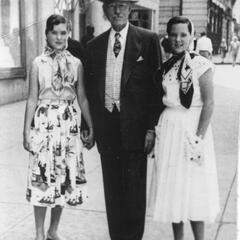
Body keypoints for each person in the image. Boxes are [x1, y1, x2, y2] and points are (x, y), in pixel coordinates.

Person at [84, 0, 161, 239]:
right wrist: (89, 126)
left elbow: (156, 88)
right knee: (113, 192)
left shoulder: (147, 40)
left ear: (130, 8)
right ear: (105, 10)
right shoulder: (94, 46)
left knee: (135, 194)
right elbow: (88, 91)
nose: (117, 11)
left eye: (122, 5)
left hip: (137, 130)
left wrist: (151, 128)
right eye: (112, 5)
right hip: (108, 129)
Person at [23, 14, 94, 240]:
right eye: (55, 32)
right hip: (44, 122)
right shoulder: (37, 63)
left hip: (68, 123)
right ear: (46, 34)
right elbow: (32, 99)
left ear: (68, 34)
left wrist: (90, 125)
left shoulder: (76, 63)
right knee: (42, 178)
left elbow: (82, 97)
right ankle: (38, 233)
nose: (59, 37)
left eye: (63, 32)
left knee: (63, 177)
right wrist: (26, 130)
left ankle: (53, 230)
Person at [149, 16, 220, 240]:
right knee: (173, 188)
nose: (178, 39)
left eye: (183, 34)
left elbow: (208, 103)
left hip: (192, 130)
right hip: (171, 130)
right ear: (168, 37)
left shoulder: (202, 65)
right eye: (173, 35)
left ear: (192, 35)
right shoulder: (166, 67)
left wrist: (198, 138)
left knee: (195, 188)